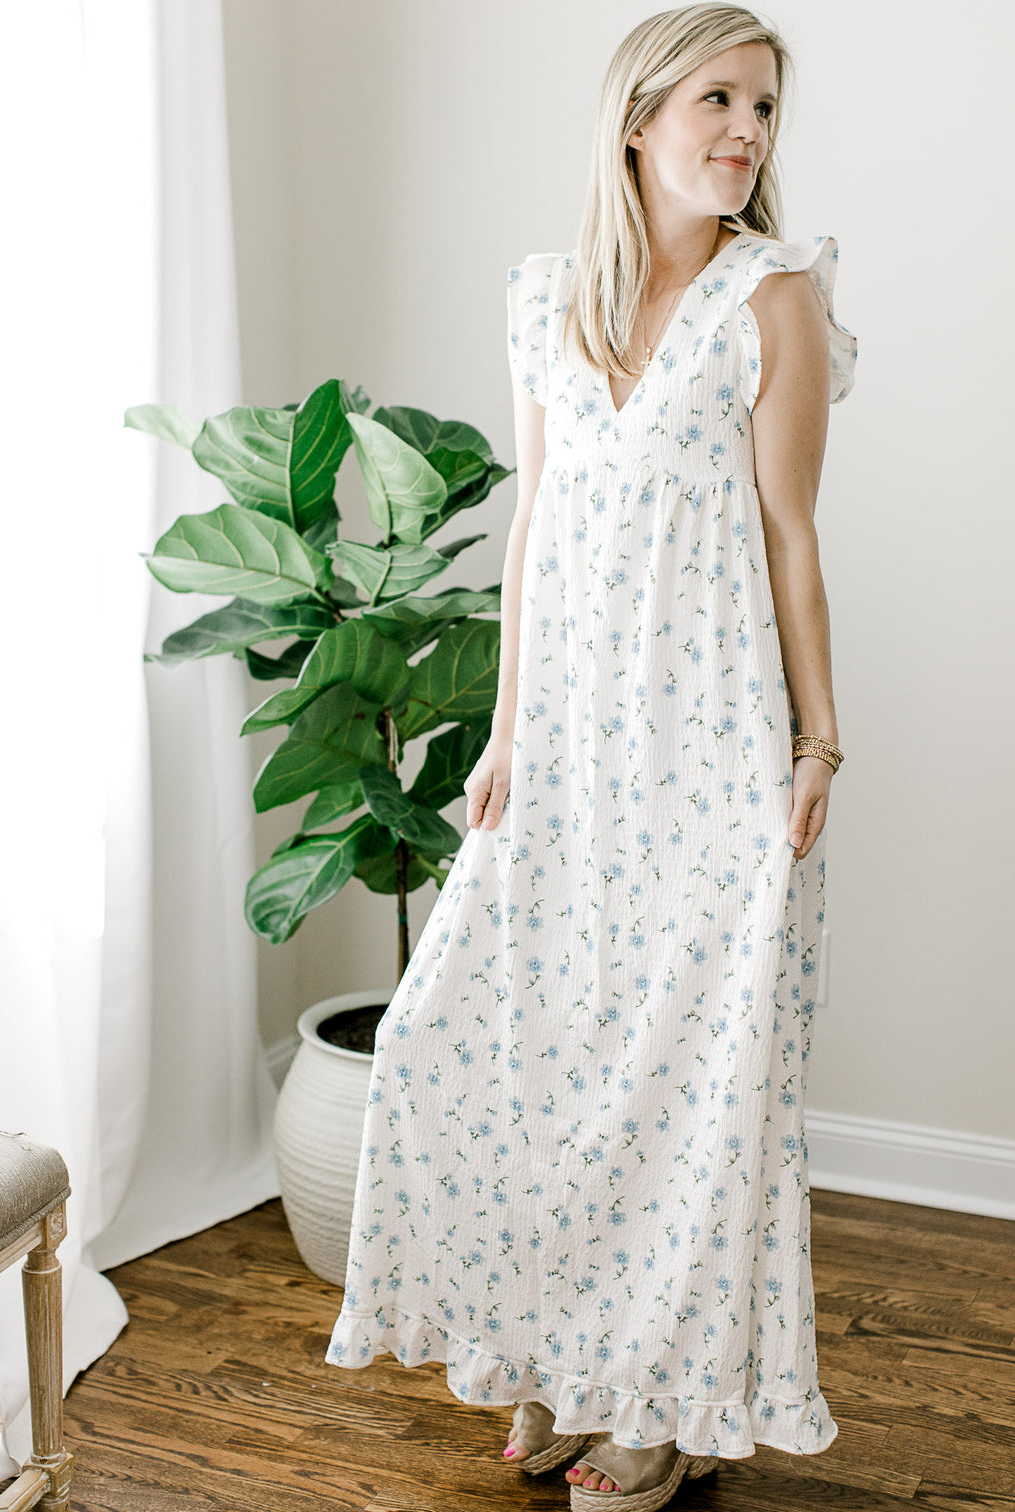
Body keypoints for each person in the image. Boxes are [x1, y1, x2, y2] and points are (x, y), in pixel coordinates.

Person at [326, 3, 856, 1505]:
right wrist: (502, 741)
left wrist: (821, 742)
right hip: (566, 751)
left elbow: (791, 538)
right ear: (638, 115)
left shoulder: (776, 297)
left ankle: (662, 1404)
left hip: (715, 750)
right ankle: (560, 1356)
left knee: (689, 1086)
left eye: (764, 107)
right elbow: (536, 542)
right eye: (720, 99)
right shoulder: (543, 300)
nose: (748, 131)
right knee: (514, 1052)